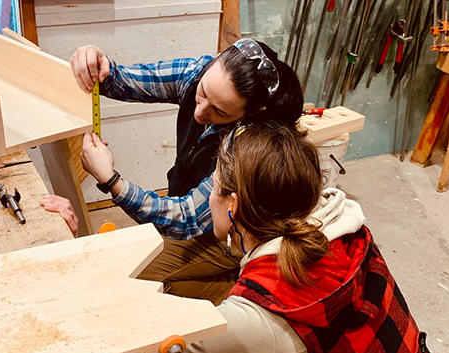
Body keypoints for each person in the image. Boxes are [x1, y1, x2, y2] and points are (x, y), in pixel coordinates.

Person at [146, 123, 449, 353]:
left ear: (233, 205)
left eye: (213, 185)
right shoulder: (343, 225)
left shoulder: (263, 314)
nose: (209, 196)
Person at [71, 38, 304, 304]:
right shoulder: (200, 72)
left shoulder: (248, 144)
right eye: (202, 93)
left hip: (231, 233)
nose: (199, 112)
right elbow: (125, 80)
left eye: (219, 111)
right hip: (195, 212)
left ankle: (239, 290)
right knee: (131, 268)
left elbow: (186, 217)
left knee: (134, 281)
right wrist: (101, 67)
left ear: (250, 112)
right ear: (215, 61)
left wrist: (111, 181)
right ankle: (218, 278)